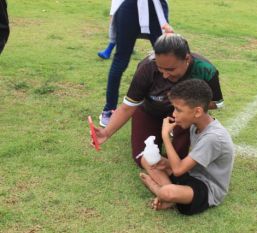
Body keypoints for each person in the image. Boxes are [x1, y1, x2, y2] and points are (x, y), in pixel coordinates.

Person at [92, 34, 225, 186]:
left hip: (181, 115)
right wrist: (106, 132)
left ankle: (176, 172)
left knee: (179, 154)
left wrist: (186, 107)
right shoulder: (147, 67)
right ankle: (170, 188)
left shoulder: (205, 70)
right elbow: (128, 107)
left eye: (171, 69)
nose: (165, 74)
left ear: (187, 59)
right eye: (160, 68)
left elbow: (216, 103)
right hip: (149, 111)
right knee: (142, 155)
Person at [139, 79, 234, 215]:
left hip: (207, 189)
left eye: (178, 110)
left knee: (168, 192)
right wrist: (164, 163)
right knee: (146, 159)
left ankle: (157, 189)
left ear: (197, 112)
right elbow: (182, 166)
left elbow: (177, 170)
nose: (174, 114)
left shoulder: (213, 138)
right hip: (191, 174)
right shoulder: (195, 125)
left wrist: (165, 136)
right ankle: (170, 195)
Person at [99, 0, 174, 127]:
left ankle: (170, 110)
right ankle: (109, 109)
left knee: (166, 58)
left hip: (153, 8)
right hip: (132, 7)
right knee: (120, 60)